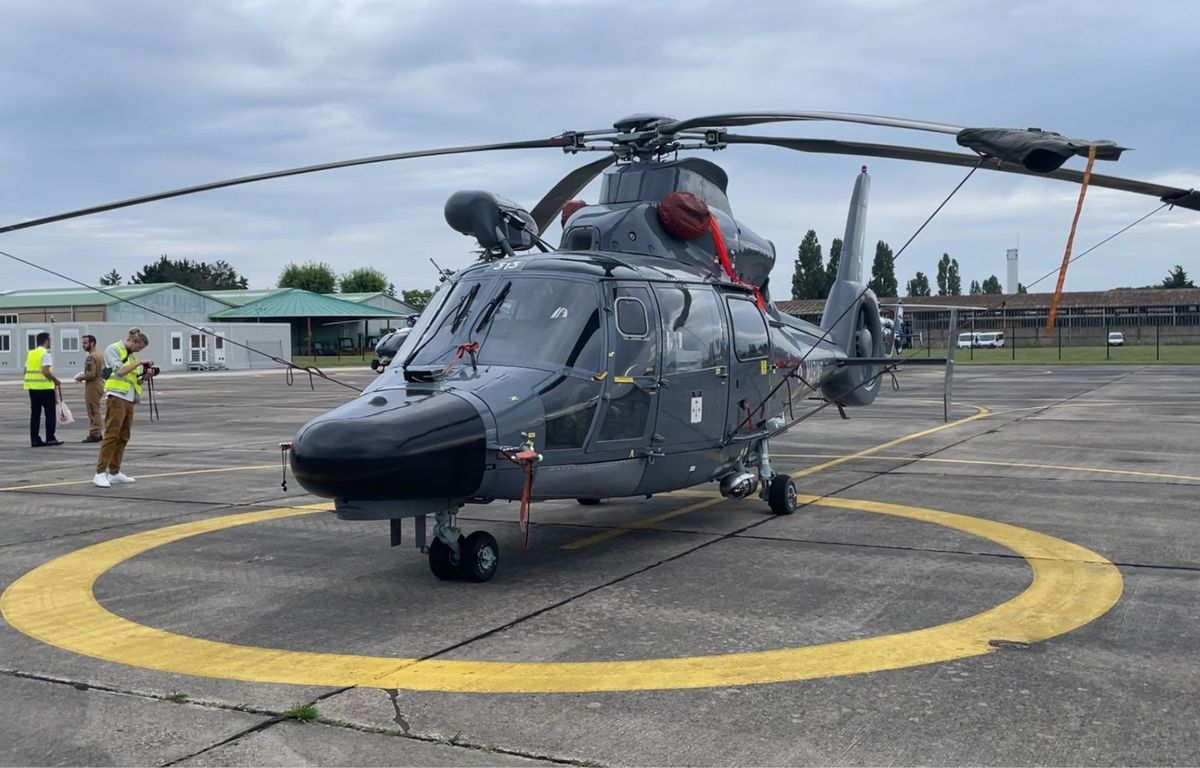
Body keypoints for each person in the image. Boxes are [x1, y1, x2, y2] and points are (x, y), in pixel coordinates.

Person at [94, 328, 154, 488]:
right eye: (138, 347)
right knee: (111, 435)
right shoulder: (113, 349)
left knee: (124, 436)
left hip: (129, 398)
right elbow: (120, 371)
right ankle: (100, 473)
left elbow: (135, 380)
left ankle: (114, 471)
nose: (138, 351)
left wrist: (145, 377)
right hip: (117, 396)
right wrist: (139, 363)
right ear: (133, 341)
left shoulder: (133, 356)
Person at [24, 331, 63, 447]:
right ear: (46, 341)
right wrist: (55, 380)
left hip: (32, 388)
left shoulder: (31, 353)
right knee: (50, 414)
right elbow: (45, 371)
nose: (50, 342)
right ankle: (50, 438)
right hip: (45, 388)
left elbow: (25, 370)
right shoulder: (46, 354)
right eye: (50, 340)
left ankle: (35, 439)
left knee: (35, 414)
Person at [73, 334, 104, 443]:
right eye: (83, 343)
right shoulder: (99, 355)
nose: (83, 345)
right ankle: (98, 432)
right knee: (96, 409)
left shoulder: (91, 357)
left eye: (85, 343)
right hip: (99, 384)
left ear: (92, 343)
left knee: (92, 410)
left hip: (93, 386)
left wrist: (80, 377)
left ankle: (95, 433)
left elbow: (90, 374)